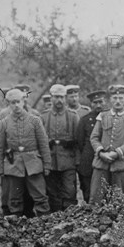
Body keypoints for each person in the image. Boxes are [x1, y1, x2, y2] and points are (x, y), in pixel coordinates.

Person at [0, 88, 51, 217]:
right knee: (14, 199)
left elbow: (43, 144)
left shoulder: (35, 120)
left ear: (23, 102)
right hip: (13, 164)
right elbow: (0, 148)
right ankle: (16, 226)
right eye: (12, 103)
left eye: (18, 102)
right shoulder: (4, 123)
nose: (16, 105)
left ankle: (46, 224)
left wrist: (47, 165)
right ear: (8, 104)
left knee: (40, 197)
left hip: (34, 164)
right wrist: (0, 168)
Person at [89, 85, 124, 201]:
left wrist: (117, 153)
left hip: (121, 163)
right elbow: (94, 138)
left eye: (121, 98)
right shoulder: (103, 115)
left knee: (118, 200)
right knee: (96, 197)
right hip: (101, 162)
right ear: (110, 99)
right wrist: (101, 153)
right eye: (115, 98)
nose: (117, 101)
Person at [41, 84, 80, 212]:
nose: (60, 101)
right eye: (56, 97)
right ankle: (55, 219)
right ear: (51, 98)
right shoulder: (44, 117)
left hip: (68, 161)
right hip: (50, 161)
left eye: (62, 97)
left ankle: (70, 218)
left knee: (69, 191)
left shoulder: (73, 117)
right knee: (52, 192)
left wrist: (77, 162)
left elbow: (78, 141)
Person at [76, 90, 108, 203]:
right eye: (95, 102)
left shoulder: (111, 118)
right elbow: (80, 142)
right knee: (88, 192)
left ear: (105, 102)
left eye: (100, 102)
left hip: (107, 160)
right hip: (89, 161)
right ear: (91, 104)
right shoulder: (85, 120)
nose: (98, 105)